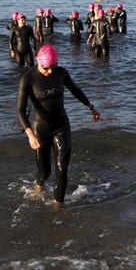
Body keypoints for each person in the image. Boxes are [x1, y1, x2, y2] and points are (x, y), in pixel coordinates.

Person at [17, 44, 100, 207]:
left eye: (53, 67)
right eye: (46, 68)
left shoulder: (61, 73)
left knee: (62, 168)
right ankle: (39, 184)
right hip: (40, 130)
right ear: (38, 61)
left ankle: (58, 206)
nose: (50, 71)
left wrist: (91, 108)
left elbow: (75, 89)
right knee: (44, 173)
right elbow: (20, 110)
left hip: (61, 126)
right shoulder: (28, 79)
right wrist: (30, 135)